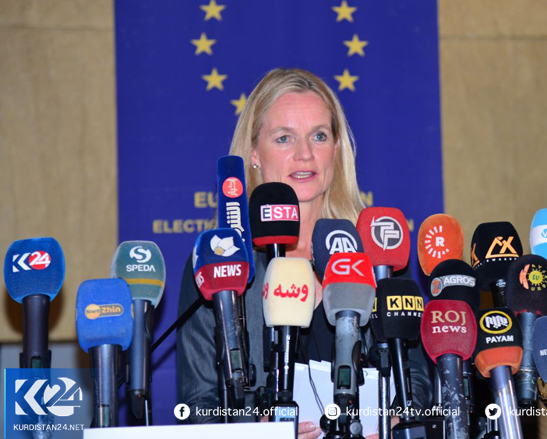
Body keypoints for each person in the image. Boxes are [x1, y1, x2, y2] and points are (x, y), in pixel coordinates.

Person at [177, 68, 431, 438]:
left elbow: (417, 381)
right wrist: (255, 431)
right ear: (253, 154)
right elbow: (196, 406)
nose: (305, 154)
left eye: (319, 136)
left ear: (337, 150)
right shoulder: (222, 261)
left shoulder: (377, 253)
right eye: (284, 138)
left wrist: (395, 423)